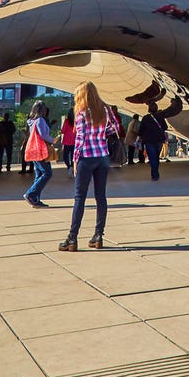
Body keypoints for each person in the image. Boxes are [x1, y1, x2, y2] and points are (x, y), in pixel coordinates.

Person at [59, 81, 121, 252]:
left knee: (80, 197)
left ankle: (72, 238)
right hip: (102, 157)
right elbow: (114, 128)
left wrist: (75, 160)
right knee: (101, 196)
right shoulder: (105, 110)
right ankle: (98, 235)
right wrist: (101, 134)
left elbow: (80, 138)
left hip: (86, 157)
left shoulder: (81, 113)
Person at [138, 97, 182, 181]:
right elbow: (165, 127)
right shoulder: (160, 117)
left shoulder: (145, 118)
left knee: (152, 157)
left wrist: (141, 137)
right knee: (156, 157)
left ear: (149, 110)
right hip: (159, 140)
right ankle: (155, 173)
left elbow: (141, 130)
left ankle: (154, 174)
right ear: (156, 109)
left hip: (149, 141)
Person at [24, 101, 55, 208]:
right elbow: (43, 135)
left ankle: (35, 199)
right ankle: (30, 194)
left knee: (39, 174)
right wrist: (53, 140)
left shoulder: (31, 121)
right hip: (40, 150)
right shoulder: (40, 120)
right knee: (47, 173)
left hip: (33, 150)